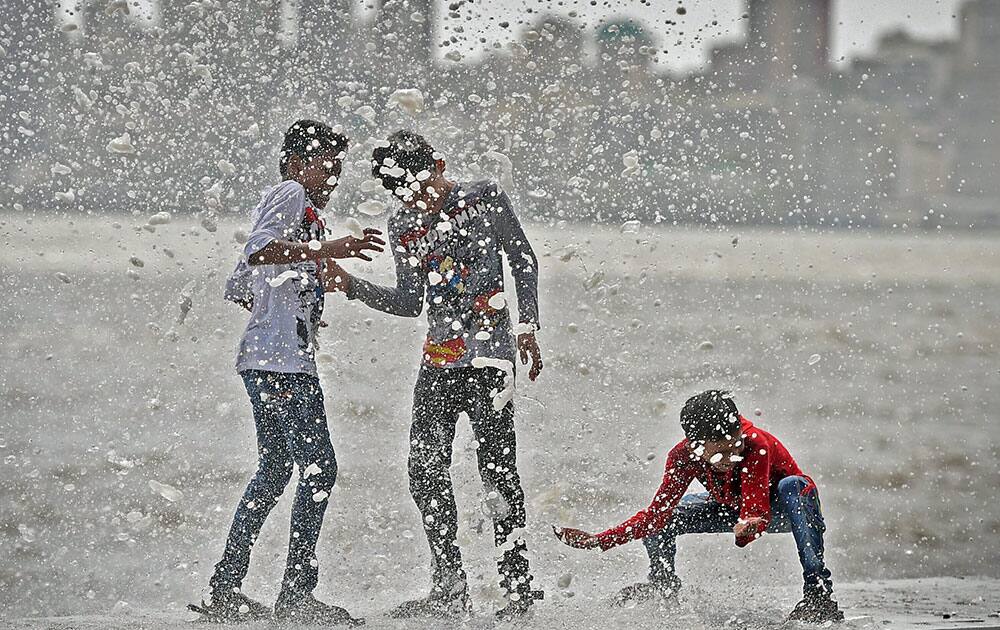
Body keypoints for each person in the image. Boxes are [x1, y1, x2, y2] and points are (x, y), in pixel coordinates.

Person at [323, 130, 544, 620]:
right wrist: (352, 286)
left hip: (490, 360)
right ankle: (448, 585)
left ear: (440, 165)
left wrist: (527, 328)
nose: (416, 200)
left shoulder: (484, 195)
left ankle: (518, 584)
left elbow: (523, 260)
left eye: (420, 187)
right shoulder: (404, 223)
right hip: (439, 362)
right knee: (423, 473)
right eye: (403, 194)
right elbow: (409, 303)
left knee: (498, 474)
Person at [189, 119, 384, 624]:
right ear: (299, 164)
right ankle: (296, 594)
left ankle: (227, 588)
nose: (336, 174)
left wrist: (291, 300)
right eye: (329, 164)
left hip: (268, 360)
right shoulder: (292, 191)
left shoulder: (305, 209)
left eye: (340, 165)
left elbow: (239, 284)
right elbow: (256, 252)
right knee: (320, 470)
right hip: (283, 366)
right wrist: (323, 253)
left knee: (275, 471)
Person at [554, 390, 845, 624]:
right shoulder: (681, 457)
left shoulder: (756, 444)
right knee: (665, 518)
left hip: (783, 508)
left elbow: (756, 513)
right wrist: (600, 540)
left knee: (794, 484)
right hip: (731, 508)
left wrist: (748, 529)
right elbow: (654, 518)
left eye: (736, 448)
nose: (732, 458)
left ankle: (818, 593)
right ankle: (663, 585)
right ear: (696, 447)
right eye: (721, 455)